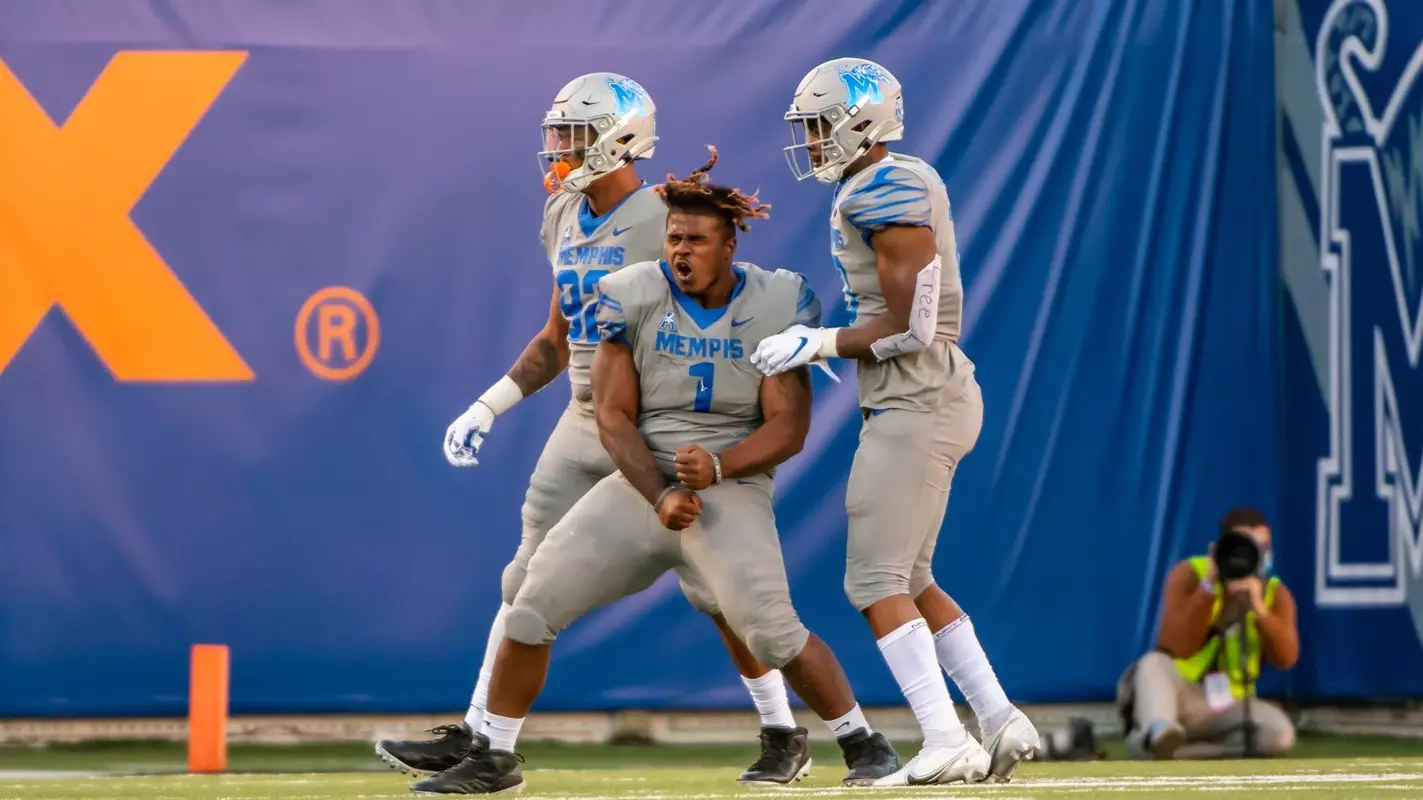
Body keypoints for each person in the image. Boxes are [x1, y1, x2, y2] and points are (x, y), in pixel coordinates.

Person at [410, 150, 904, 795]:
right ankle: (495, 754)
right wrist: (660, 489)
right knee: (530, 604)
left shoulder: (777, 299)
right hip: (643, 481)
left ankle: (863, 742)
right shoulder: (632, 292)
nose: (681, 252)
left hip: (729, 485)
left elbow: (790, 429)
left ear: (729, 245)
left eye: (696, 240)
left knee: (771, 630)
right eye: (673, 238)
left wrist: (722, 463)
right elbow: (612, 417)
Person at [377, 73, 804, 785]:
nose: (561, 151)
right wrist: (488, 405)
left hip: (660, 422)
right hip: (585, 418)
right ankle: (484, 738)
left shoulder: (663, 213)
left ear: (622, 137)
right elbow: (555, 335)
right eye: (558, 136)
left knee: (717, 587)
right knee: (526, 577)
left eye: (575, 136)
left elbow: (721, 303)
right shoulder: (562, 215)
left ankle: (781, 729)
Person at [751, 57, 1039, 785]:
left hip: (917, 398)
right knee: (909, 576)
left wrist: (817, 342)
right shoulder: (877, 182)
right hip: (919, 396)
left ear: (859, 121)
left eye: (820, 127)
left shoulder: (887, 188)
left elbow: (912, 324)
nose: (811, 143)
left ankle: (944, 738)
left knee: (873, 579)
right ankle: (997, 716)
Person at [1117, 507, 1299, 759]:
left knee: (1280, 734)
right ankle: (1159, 730)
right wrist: (1208, 588)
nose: (1253, 555)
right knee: (1152, 664)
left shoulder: (1275, 594)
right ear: (1220, 549)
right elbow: (1173, 644)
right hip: (1181, 694)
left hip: (1231, 705)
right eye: (1243, 546)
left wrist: (1259, 610)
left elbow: (1287, 658)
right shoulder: (1191, 574)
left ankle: (1164, 750)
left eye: (1263, 548)